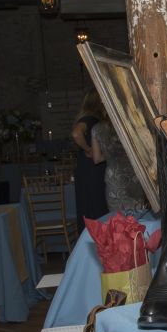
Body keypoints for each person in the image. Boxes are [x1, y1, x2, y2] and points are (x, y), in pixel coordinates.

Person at [91, 113, 148, 213]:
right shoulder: (131, 125)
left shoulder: (97, 129)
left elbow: (97, 159)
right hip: (134, 177)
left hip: (114, 179)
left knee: (118, 219)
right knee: (139, 216)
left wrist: (110, 155)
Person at [70, 88, 108, 231]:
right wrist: (87, 149)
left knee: (89, 208)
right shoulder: (91, 119)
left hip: (87, 169)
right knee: (95, 209)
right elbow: (76, 133)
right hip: (93, 170)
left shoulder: (90, 119)